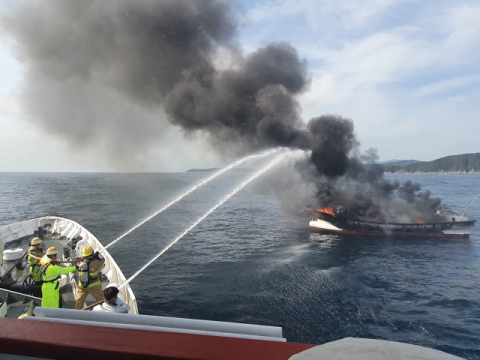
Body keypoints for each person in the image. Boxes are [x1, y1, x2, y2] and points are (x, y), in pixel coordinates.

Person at [74, 245, 105, 309]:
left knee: (79, 301)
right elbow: (102, 266)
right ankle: (103, 313)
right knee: (101, 300)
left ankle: (76, 313)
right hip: (94, 285)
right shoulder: (96, 262)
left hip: (82, 285)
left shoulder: (80, 262)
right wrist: (99, 259)